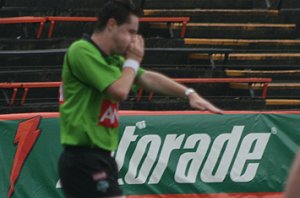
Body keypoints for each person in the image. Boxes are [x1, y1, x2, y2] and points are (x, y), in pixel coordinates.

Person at [58, 0, 223, 197]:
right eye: (130, 31)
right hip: (83, 157)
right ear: (111, 25)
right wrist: (132, 61)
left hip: (99, 157)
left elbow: (146, 78)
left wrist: (189, 94)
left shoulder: (113, 60)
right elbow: (119, 91)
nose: (133, 39)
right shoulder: (82, 51)